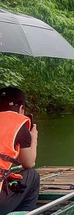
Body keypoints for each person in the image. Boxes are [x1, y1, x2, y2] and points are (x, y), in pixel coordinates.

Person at [0, 87, 39, 215]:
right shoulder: (19, 125)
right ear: (21, 108)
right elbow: (28, 163)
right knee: (32, 175)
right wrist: (33, 139)